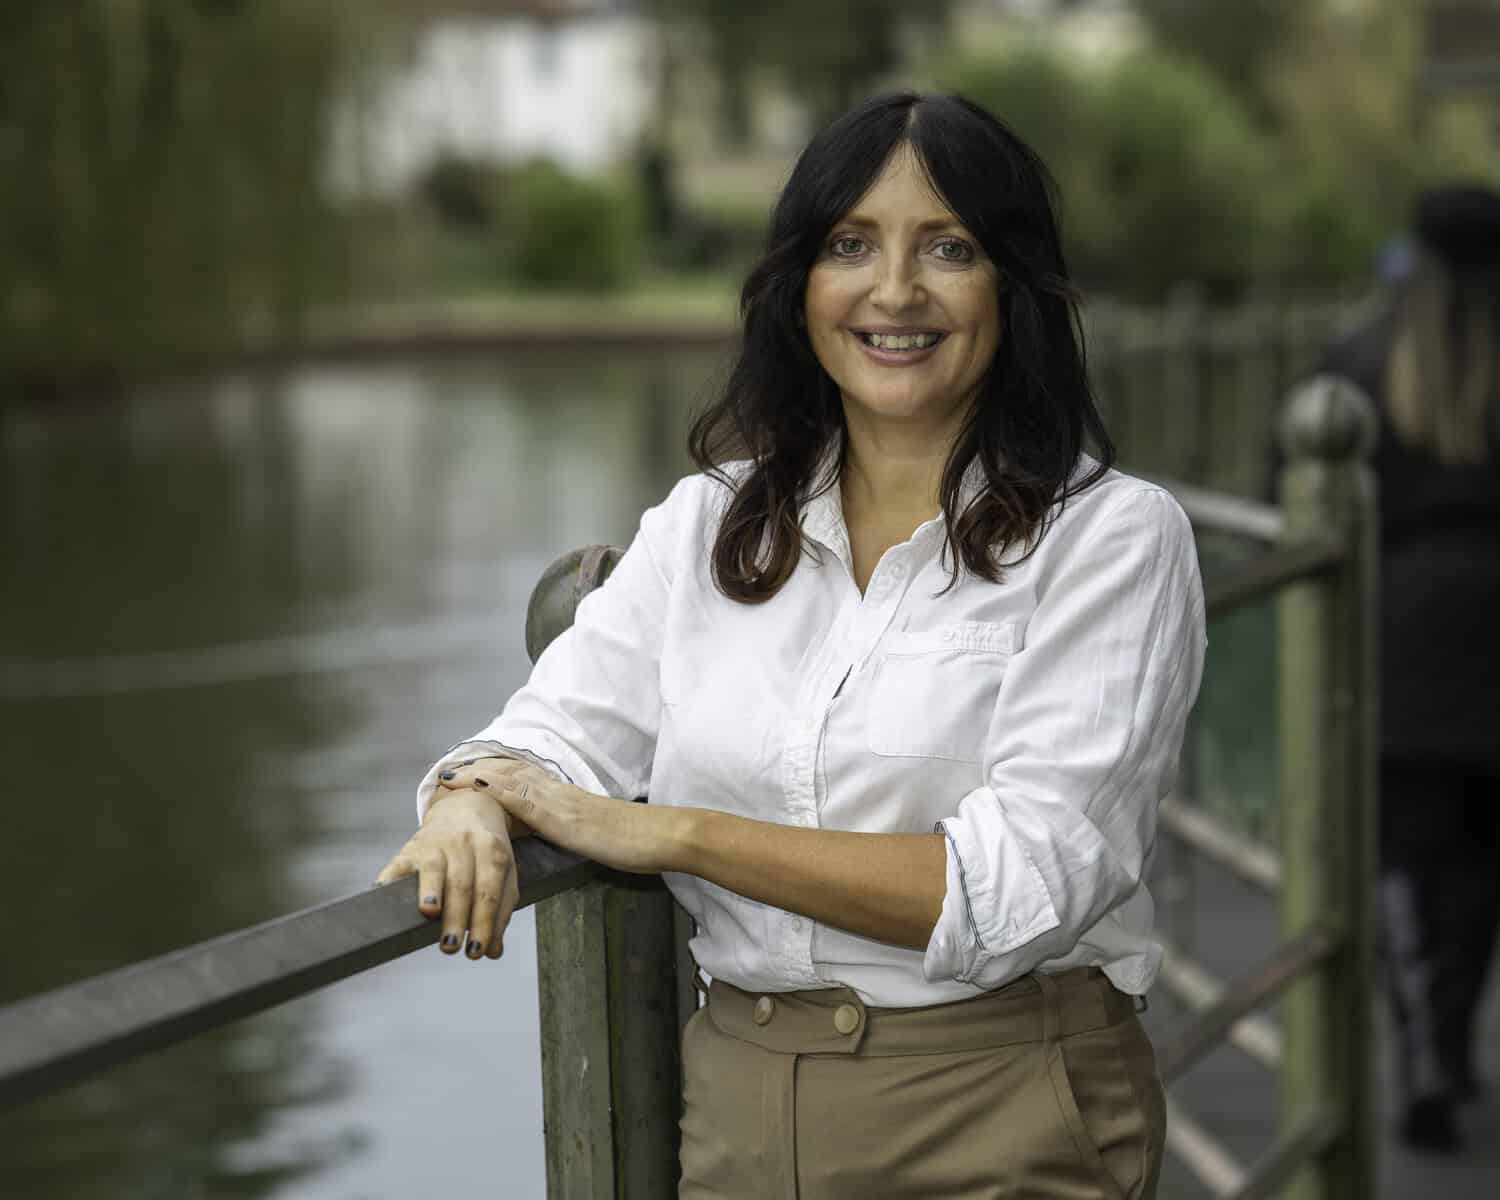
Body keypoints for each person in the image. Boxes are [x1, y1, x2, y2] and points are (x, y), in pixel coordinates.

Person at [376, 92, 1206, 1199]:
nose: (894, 291)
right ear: (799, 285)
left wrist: (674, 834)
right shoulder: (709, 522)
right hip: (741, 1120)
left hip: (1008, 1110)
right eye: (850, 245)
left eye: (947, 248)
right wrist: (473, 798)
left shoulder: (1111, 541)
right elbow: (554, 734)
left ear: (1013, 288)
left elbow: (1014, 889)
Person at [1302, 186, 1500, 1153]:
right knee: (1479, 870)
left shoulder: (1356, 363)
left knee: (1404, 864)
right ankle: (1455, 1043)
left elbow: (1286, 503)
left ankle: (1421, 1046)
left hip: (1397, 644)